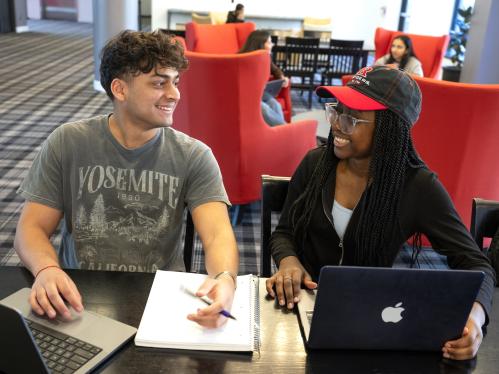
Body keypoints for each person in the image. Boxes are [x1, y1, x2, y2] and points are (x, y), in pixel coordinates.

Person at [265, 65, 496, 360]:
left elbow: (478, 264)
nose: (336, 124)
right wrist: (289, 261)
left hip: (371, 319)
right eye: (337, 111)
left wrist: (475, 319)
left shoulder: (417, 187)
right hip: (298, 306)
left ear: (389, 129)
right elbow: (284, 232)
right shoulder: (315, 164)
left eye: (351, 118)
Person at [14, 30, 239, 329]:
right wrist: (46, 269)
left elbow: (217, 235)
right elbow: (30, 228)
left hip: (160, 297)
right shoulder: (68, 141)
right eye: (160, 83)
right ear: (120, 89)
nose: (175, 94)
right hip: (77, 295)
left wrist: (225, 278)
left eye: (176, 82)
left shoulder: (194, 155)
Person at [239, 30, 288, 126]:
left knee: (275, 105)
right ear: (260, 45)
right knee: (265, 109)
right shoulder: (239, 59)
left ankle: (281, 134)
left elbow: (275, 70)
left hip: (260, 94)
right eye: (269, 42)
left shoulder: (266, 58)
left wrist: (282, 77)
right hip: (244, 97)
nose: (272, 45)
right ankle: (287, 131)